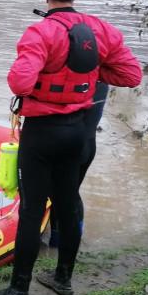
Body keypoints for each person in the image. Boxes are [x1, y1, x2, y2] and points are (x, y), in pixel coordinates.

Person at [0, 0, 142, 295]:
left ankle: (18, 292)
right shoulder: (102, 30)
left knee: (31, 212)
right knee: (68, 203)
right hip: (79, 131)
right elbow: (132, 75)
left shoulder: (40, 32)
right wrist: (91, 69)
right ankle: (62, 279)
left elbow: (20, 83)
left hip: (42, 134)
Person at [48, 80, 108, 247]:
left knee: (60, 193)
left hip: (69, 145)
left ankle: (59, 242)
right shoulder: (101, 76)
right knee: (70, 193)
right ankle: (70, 240)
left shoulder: (75, 73)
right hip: (88, 144)